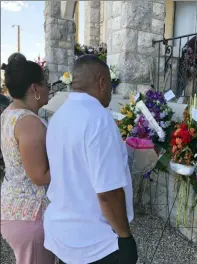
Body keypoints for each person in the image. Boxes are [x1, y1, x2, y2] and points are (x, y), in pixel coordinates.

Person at [44, 55, 138, 264]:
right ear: (102, 82)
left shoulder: (58, 115)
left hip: (61, 231)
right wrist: (125, 237)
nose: (111, 92)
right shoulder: (98, 118)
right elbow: (108, 192)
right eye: (111, 85)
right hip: (93, 241)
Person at [0, 53, 54, 264]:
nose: (48, 88)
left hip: (14, 207)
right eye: (45, 84)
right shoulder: (29, 122)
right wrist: (74, 163)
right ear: (34, 89)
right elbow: (39, 176)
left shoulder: (9, 113)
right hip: (30, 215)